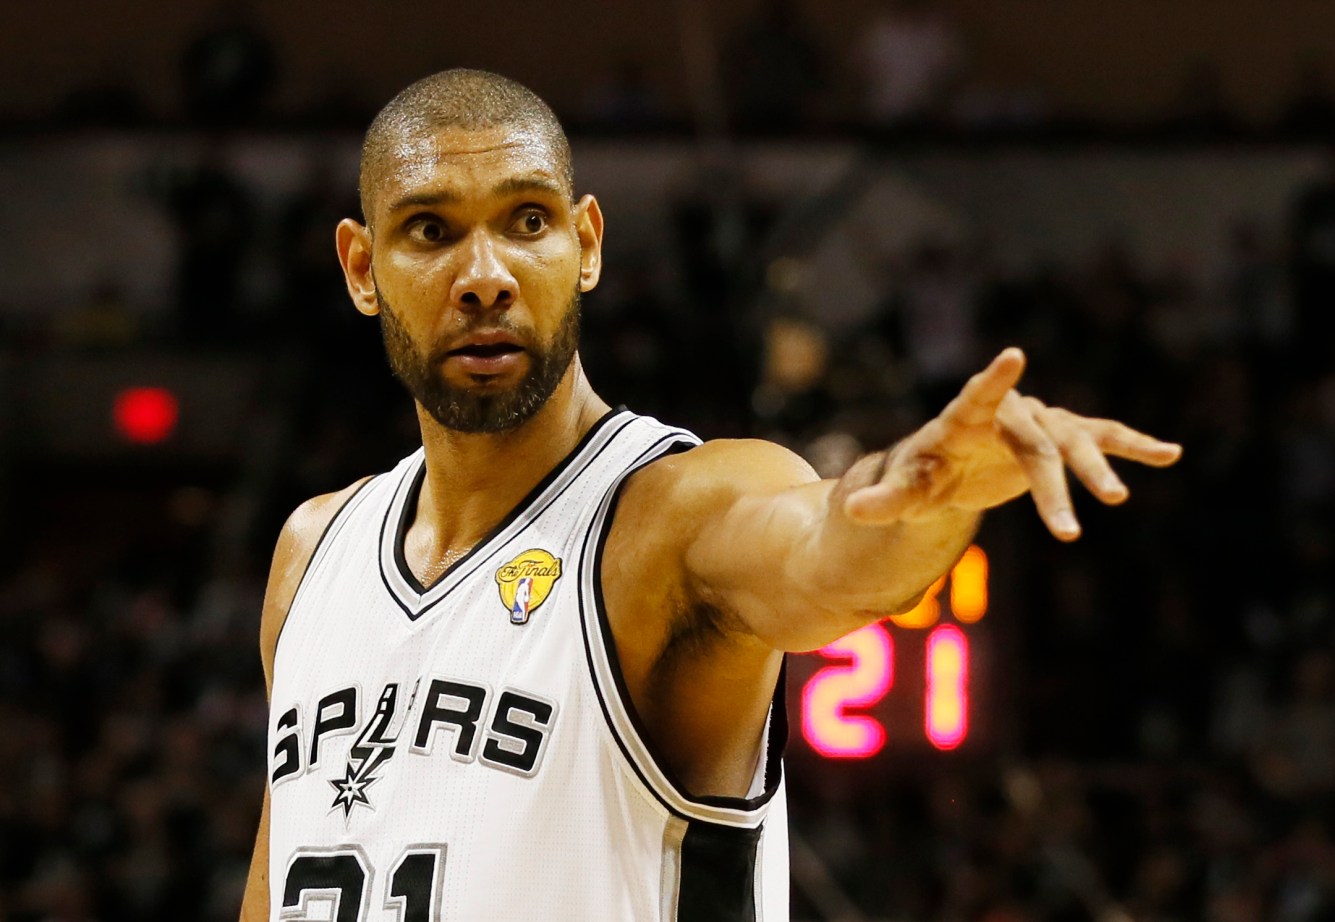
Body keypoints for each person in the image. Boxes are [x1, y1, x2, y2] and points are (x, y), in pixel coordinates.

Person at [238, 69, 1181, 921]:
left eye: (527, 221)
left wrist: (928, 496)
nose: (485, 278)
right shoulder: (312, 555)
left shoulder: (675, 510)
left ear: (588, 243)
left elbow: (830, 557)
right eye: (431, 231)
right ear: (363, 269)